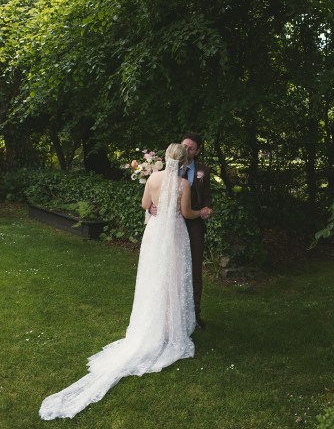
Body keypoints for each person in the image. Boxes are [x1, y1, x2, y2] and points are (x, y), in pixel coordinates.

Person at [39, 144, 207, 420]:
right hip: (175, 234)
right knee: (173, 278)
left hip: (155, 234)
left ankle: (152, 323)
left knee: (154, 278)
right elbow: (187, 213)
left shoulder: (153, 178)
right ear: (185, 159)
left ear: (165, 158)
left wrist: (156, 207)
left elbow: (145, 206)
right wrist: (201, 213)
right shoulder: (181, 184)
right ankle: (169, 324)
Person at [150, 133, 212, 329]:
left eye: (191, 148)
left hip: (193, 227)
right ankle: (166, 316)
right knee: (167, 269)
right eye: (185, 146)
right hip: (170, 226)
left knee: (193, 269)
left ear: (198, 150)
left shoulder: (203, 170)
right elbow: (153, 195)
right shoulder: (164, 168)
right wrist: (150, 207)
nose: (187, 150)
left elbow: (207, 196)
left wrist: (206, 209)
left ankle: (194, 314)